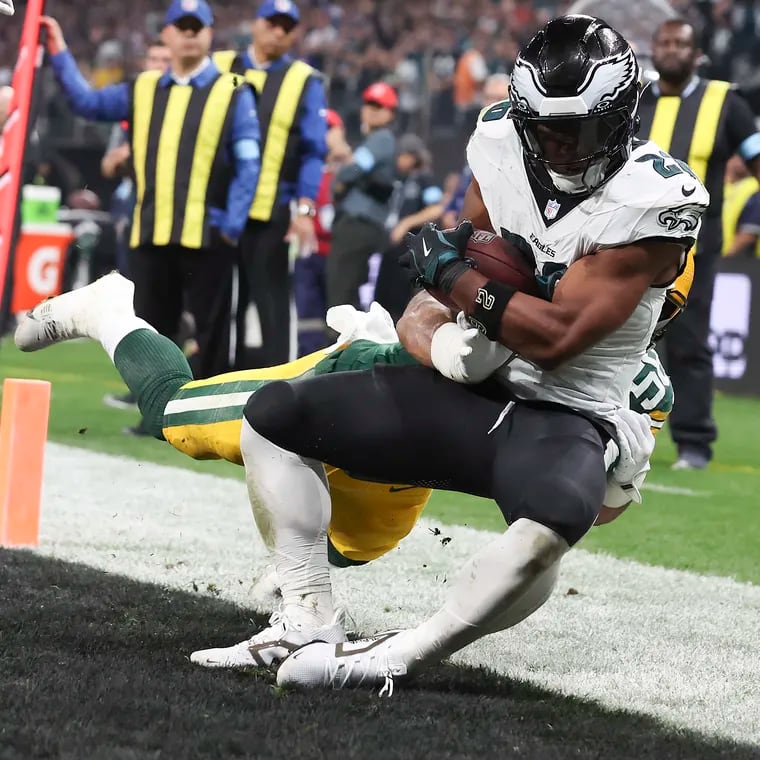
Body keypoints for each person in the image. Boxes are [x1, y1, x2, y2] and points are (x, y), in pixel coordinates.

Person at [210, 14, 708, 691]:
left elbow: (557, 335)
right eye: (546, 129)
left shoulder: (654, 198)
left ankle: (394, 657)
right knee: (271, 414)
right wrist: (442, 342)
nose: (560, 147)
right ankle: (306, 618)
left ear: (621, 119)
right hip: (470, 385)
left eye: (579, 129)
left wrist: (453, 278)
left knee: (555, 519)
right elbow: (436, 302)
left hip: (563, 411)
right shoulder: (500, 142)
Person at [14, 261, 681, 666]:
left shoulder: (642, 390)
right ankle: (104, 310)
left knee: (360, 543)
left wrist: (611, 465)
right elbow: (429, 307)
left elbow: (589, 511)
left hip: (420, 460)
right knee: (175, 417)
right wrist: (444, 347)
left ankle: (293, 571)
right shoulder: (526, 277)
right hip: (366, 383)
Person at [40, 2, 261, 384]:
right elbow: (86, 103)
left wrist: (231, 224)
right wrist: (58, 51)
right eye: (183, 26)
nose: (190, 33)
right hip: (151, 231)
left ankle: (208, 415)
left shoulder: (233, 91)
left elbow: (248, 162)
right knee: (151, 334)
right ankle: (155, 415)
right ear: (168, 34)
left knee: (211, 336)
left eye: (198, 26)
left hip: (208, 233)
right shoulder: (142, 88)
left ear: (210, 34)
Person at [637, 18, 760, 470]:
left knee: (688, 343)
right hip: (627, 243)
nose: (671, 49)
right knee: (613, 335)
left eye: (681, 43)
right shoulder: (631, 101)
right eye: (663, 41)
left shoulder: (726, 102)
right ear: (653, 49)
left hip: (693, 250)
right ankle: (607, 429)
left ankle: (693, 443)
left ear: (697, 54)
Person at [212, 0, 328, 368]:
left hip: (271, 211)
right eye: (272, 23)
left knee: (272, 305)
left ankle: (277, 389)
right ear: (255, 24)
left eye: (286, 26)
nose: (278, 31)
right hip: (216, 209)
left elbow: (314, 151)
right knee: (213, 307)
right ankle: (207, 389)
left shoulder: (302, 80)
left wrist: (306, 209)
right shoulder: (219, 66)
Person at [327, 82, 398, 311]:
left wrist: (342, 178)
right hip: (358, 225)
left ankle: (344, 344)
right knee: (344, 288)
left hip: (360, 225)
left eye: (378, 106)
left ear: (389, 113)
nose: (370, 109)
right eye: (368, 104)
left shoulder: (383, 138)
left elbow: (353, 170)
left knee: (341, 291)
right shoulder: (374, 139)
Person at [294, 108, 352, 356]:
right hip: (308, 252)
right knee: (307, 317)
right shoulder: (304, 166)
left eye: (329, 128)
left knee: (338, 314)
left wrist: (345, 156)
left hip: (337, 253)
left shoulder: (351, 166)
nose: (323, 135)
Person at [373, 134, 445, 322]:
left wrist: (406, 223)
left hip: (413, 247)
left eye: (403, 155)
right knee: (383, 298)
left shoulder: (424, 179)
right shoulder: (402, 181)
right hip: (394, 248)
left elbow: (436, 208)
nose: (400, 160)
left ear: (414, 156)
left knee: (400, 299)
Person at [441, 73, 511, 230]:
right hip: (462, 228)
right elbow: (463, 192)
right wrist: (449, 212)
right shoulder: (477, 140)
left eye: (500, 99)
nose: (493, 104)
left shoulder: (517, 146)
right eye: (489, 98)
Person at [722, 154, 760, 257]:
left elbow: (749, 233)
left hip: (742, 260)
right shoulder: (718, 187)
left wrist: (726, 257)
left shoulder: (753, 187)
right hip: (715, 254)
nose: (741, 161)